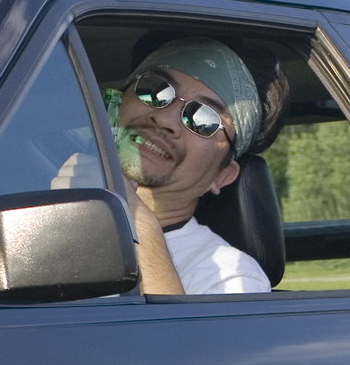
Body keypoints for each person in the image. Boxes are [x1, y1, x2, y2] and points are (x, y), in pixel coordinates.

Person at [60, 36, 287, 294]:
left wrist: (129, 212)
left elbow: (176, 326)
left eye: (203, 118)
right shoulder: (48, 210)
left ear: (221, 175)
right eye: (155, 89)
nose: (165, 119)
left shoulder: (231, 278)